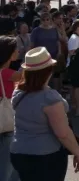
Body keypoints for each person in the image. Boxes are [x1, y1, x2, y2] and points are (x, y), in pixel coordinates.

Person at [10, 47, 79, 181]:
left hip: (18, 152)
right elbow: (63, 133)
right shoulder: (49, 98)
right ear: (48, 71)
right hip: (45, 156)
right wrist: (77, 152)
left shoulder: (18, 92)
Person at [0, 36, 22, 181]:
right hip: (6, 127)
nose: (18, 51)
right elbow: (28, 75)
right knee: (7, 167)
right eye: (15, 49)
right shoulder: (6, 73)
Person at [67, 20, 79, 116]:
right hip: (74, 66)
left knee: (76, 87)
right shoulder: (74, 38)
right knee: (78, 87)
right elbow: (71, 53)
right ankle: (78, 108)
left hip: (78, 65)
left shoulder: (78, 37)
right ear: (78, 27)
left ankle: (75, 106)